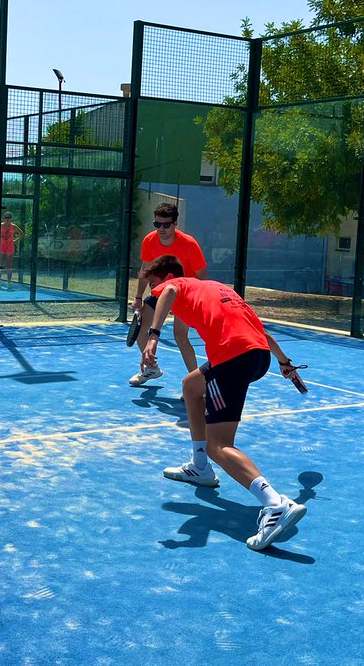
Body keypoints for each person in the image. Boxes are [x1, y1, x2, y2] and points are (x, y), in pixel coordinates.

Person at [140, 254, 308, 551]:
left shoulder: (173, 286)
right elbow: (263, 331)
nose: (152, 294)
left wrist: (152, 336)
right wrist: (285, 363)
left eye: (152, 285)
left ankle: (275, 504)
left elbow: (168, 291)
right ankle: (200, 466)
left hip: (232, 357)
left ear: (167, 277)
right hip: (258, 356)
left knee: (221, 444)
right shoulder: (218, 289)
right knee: (191, 386)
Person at [129, 202, 207, 386]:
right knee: (141, 330)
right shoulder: (149, 240)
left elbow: (202, 276)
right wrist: (138, 297)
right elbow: (145, 270)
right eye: (157, 224)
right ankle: (151, 369)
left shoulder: (189, 244)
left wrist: (198, 301)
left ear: (175, 223)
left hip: (186, 296)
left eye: (166, 225)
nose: (161, 229)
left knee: (180, 336)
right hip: (159, 294)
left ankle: (197, 383)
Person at [0, 211, 23, 290]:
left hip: (10, 246)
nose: (7, 219)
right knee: (1, 264)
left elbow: (21, 233)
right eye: (6, 217)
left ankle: (9, 283)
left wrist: (16, 240)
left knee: (9, 264)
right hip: (2, 246)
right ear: (4, 218)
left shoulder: (14, 226)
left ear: (11, 218)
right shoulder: (0, 225)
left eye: (9, 218)